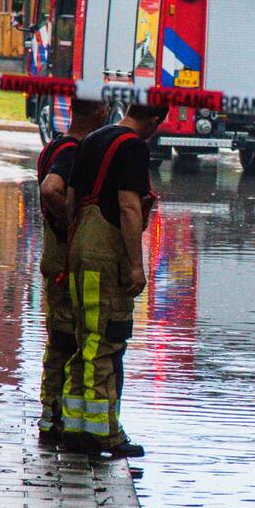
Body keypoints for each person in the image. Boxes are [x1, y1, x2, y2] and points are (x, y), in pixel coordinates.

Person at [61, 103, 166, 458]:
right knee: (105, 341)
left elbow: (71, 199)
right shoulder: (132, 146)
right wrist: (136, 265)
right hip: (104, 257)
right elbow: (129, 207)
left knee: (83, 340)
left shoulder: (91, 140)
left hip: (78, 248)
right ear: (154, 120)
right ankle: (104, 434)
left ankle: (74, 426)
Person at [36, 99, 109, 446]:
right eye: (107, 107)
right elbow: (50, 189)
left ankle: (53, 417)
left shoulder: (55, 144)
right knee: (67, 340)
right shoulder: (73, 151)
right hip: (63, 260)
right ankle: (56, 419)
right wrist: (72, 224)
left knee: (59, 339)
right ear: (98, 112)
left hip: (57, 259)